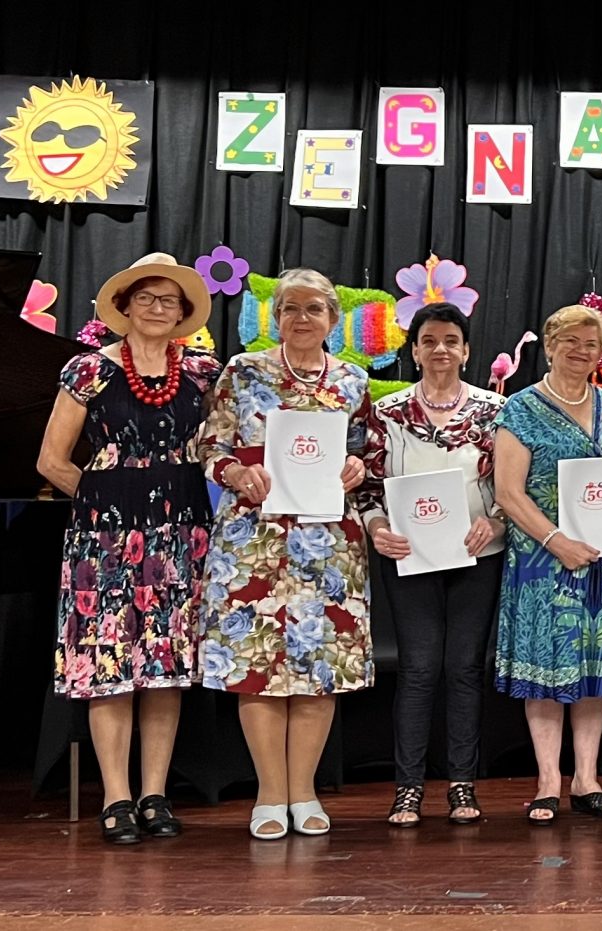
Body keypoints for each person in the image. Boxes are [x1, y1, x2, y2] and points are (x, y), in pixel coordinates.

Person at [36, 253, 220, 844]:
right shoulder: (89, 370)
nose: (157, 308)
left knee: (166, 668)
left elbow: (222, 448)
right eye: (146, 298)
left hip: (181, 536)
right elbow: (51, 461)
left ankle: (155, 795)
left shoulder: (204, 373)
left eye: (169, 300)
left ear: (184, 312)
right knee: (108, 667)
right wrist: (104, 503)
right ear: (124, 306)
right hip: (104, 544)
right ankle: (116, 797)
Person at [197, 267, 377, 840]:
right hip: (254, 540)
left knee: (320, 669)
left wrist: (357, 467)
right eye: (290, 308)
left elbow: (367, 453)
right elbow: (210, 445)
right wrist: (234, 473)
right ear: (275, 317)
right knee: (258, 668)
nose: (302, 318)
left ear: (333, 318)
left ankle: (305, 791)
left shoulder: (352, 380)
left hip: (328, 544)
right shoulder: (243, 371)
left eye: (313, 308)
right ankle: (270, 794)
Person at [362, 302, 508, 826]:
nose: (440, 349)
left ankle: (462, 785)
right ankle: (408, 788)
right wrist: (377, 527)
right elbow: (368, 487)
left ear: (466, 351)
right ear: (415, 350)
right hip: (411, 558)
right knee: (419, 670)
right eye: (429, 341)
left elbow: (512, 486)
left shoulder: (496, 411)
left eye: (450, 340)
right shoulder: (387, 412)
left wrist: (496, 522)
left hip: (477, 555)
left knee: (464, 668)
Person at [492, 305, 602, 824]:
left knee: (596, 670)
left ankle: (587, 778)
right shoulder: (520, 409)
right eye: (571, 341)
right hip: (543, 560)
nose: (581, 350)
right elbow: (508, 493)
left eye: (591, 343)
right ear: (550, 345)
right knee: (547, 670)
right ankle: (548, 781)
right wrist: (557, 541)